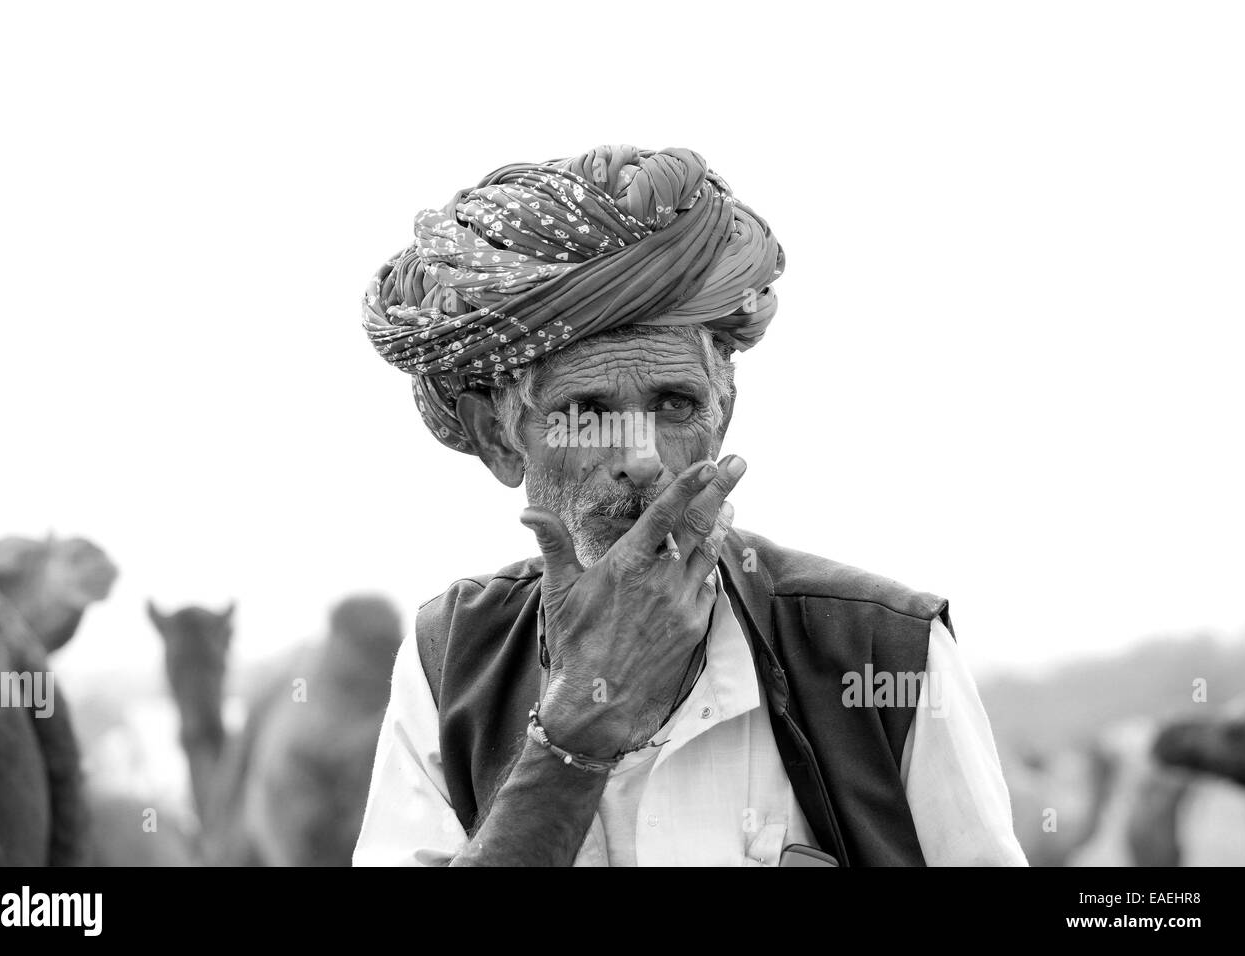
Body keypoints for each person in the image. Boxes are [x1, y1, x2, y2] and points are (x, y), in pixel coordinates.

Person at [352, 145, 1026, 866]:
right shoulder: (452, 658)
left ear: (723, 415)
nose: (641, 457)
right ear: (499, 437)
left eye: (675, 404)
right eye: (587, 409)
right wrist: (578, 730)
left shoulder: (883, 650)